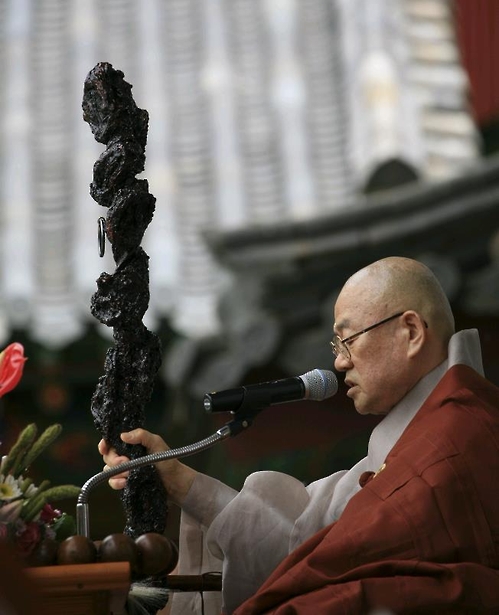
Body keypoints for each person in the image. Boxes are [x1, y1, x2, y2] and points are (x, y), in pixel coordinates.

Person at [99, 256, 499, 614]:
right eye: (335, 343)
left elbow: (330, 573)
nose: (338, 362)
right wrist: (180, 481)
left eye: (348, 339)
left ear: (410, 331)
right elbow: (305, 544)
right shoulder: (415, 442)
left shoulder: (456, 441)